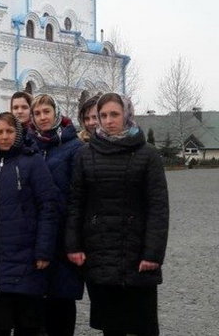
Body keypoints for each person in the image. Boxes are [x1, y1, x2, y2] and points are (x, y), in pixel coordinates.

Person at [66, 93, 169, 336]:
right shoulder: (86, 154)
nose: (109, 120)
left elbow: (158, 208)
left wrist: (152, 253)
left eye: (115, 114)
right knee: (111, 327)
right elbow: (76, 204)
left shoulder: (148, 155)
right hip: (100, 251)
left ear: (127, 114)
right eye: (103, 115)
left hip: (137, 253)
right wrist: (73, 245)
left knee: (142, 325)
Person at [0, 113, 59, 336]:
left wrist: (43, 251)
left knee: (27, 324)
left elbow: (48, 205)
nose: (4, 137)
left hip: (25, 256)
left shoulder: (32, 160)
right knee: (0, 324)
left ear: (18, 133)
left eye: (9, 131)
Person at [28, 95, 84, 336]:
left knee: (62, 297)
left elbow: (78, 194)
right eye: (38, 113)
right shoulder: (29, 145)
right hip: (35, 232)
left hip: (62, 232)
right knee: (37, 297)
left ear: (56, 112)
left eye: (46, 111)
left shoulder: (73, 147)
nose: (42, 117)